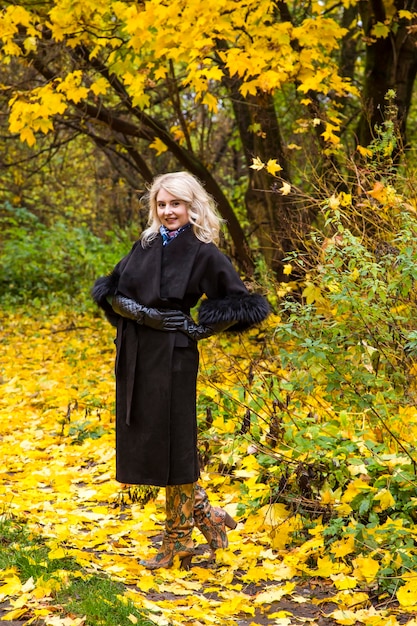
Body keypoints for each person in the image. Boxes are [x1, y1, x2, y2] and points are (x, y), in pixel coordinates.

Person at [92, 171, 269, 570]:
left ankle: (177, 540)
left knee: (175, 444)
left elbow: (242, 304)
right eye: (162, 204)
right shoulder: (145, 243)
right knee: (153, 442)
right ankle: (207, 514)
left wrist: (196, 328)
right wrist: (144, 314)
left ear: (191, 206)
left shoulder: (204, 251)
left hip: (173, 358)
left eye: (176, 203)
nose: (168, 211)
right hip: (136, 352)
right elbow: (112, 292)